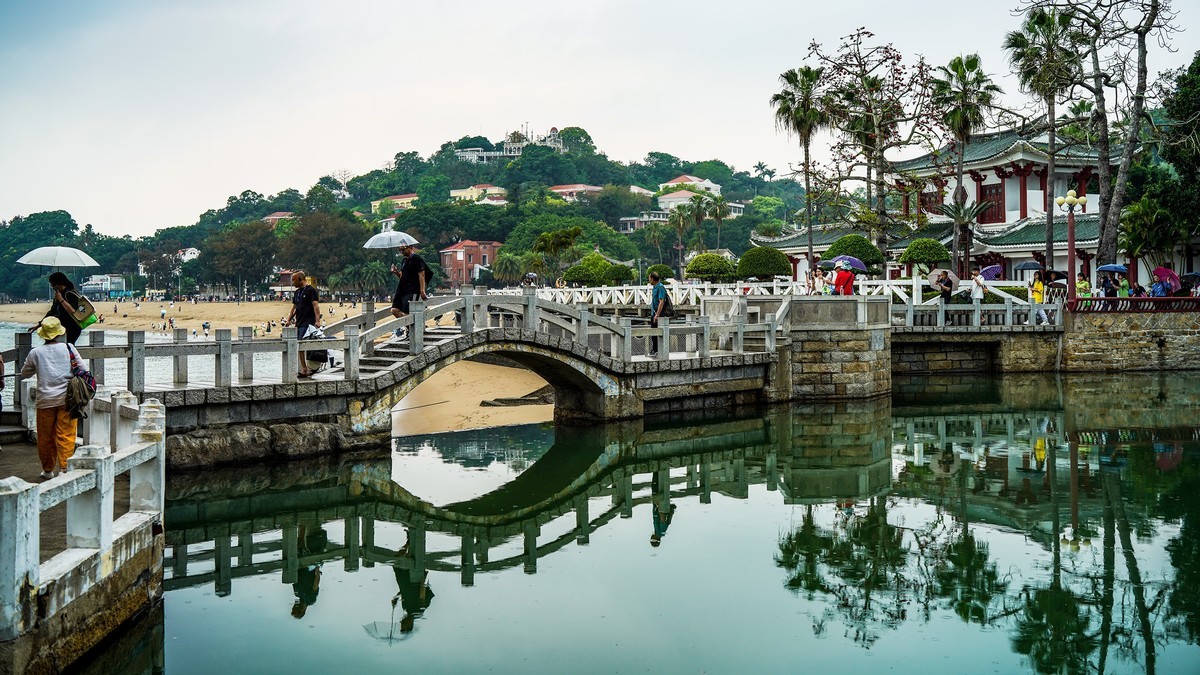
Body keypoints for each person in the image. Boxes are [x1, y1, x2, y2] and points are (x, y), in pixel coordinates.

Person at [21, 318, 79, 479]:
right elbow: (82, 369)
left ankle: (47, 470)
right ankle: (65, 469)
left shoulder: (36, 353)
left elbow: (25, 373)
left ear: (43, 335)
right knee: (66, 434)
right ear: (59, 333)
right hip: (67, 400)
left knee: (46, 436)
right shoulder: (69, 348)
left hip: (45, 400)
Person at [30, 272, 84, 345]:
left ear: (59, 284)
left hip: (72, 327)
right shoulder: (59, 295)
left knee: (67, 348)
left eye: (53, 285)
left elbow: (72, 310)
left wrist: (61, 299)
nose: (52, 287)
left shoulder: (71, 293)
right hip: (60, 328)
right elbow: (52, 312)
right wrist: (40, 324)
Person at [388, 245, 429, 340]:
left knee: (407, 312)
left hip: (412, 289)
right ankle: (411, 329)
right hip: (402, 289)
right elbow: (402, 276)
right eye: (400, 250)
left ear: (410, 247)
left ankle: (413, 332)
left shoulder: (417, 258)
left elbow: (422, 274)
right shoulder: (404, 260)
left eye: (403, 249)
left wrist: (422, 290)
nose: (401, 251)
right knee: (394, 310)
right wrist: (396, 272)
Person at [285, 272, 321, 377]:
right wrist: (288, 320)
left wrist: (317, 321)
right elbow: (294, 308)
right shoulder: (297, 293)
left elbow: (316, 306)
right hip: (299, 322)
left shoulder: (311, 290)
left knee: (301, 344)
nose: (293, 283)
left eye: (294, 280)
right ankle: (305, 368)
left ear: (301, 279)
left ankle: (306, 368)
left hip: (308, 322)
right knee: (298, 346)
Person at [648, 271, 668, 357]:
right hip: (654, 313)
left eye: (649, 278)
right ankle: (655, 349)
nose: (649, 280)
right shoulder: (655, 287)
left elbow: (661, 302)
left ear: (652, 278)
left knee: (657, 332)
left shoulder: (660, 287)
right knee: (653, 332)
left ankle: (657, 350)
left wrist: (657, 315)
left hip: (658, 314)